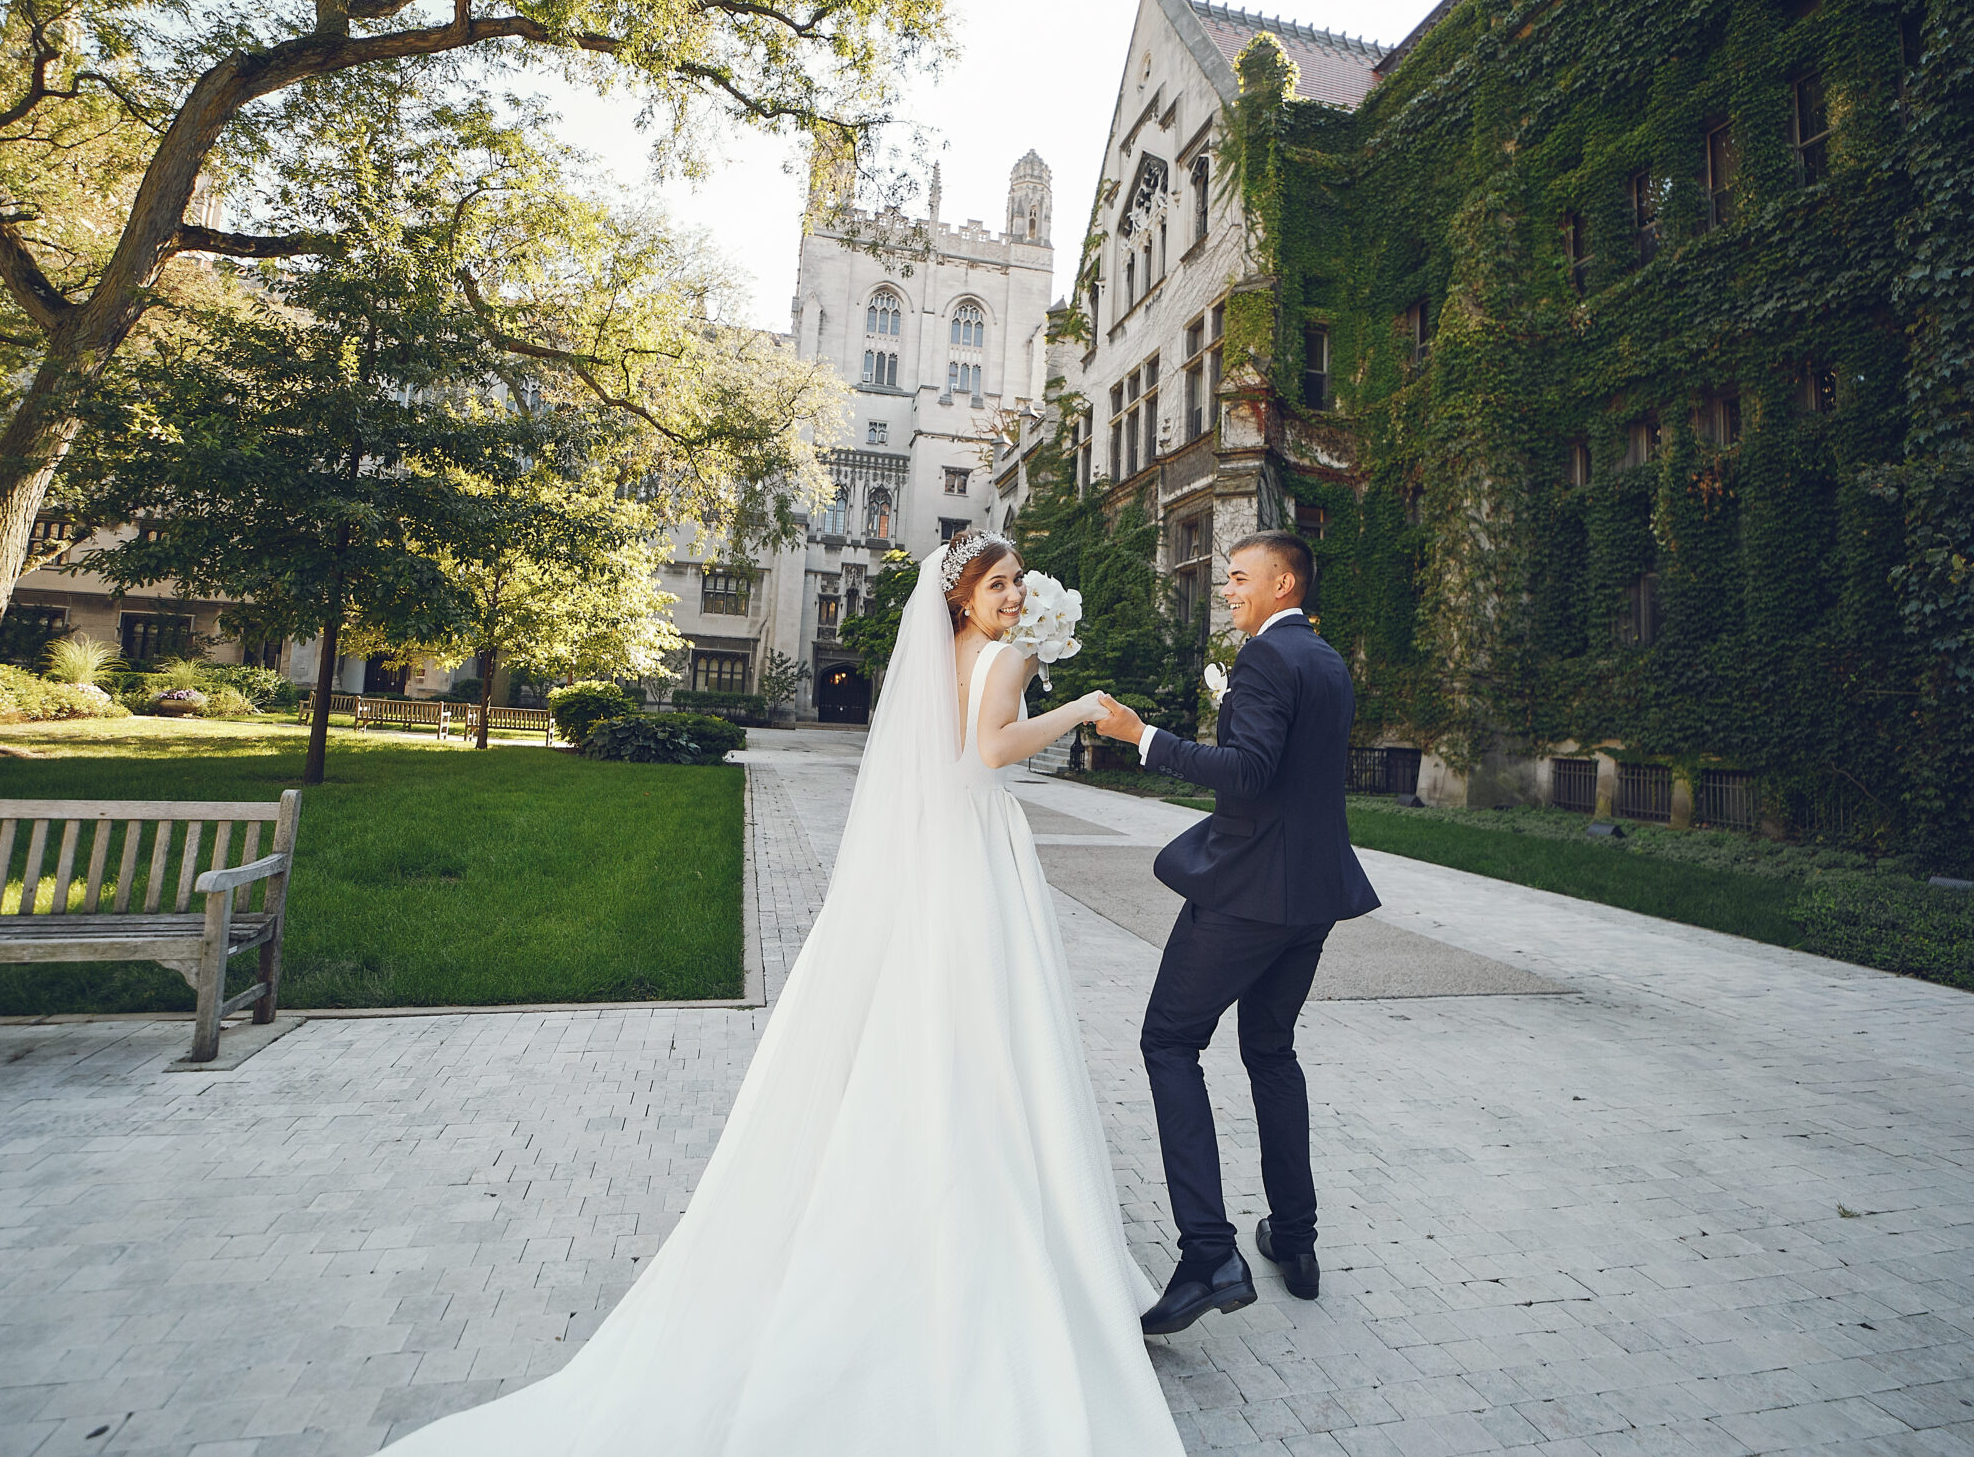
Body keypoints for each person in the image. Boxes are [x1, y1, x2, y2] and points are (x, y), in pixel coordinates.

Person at [386, 533, 1187, 1456]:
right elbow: (993, 752)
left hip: (942, 853)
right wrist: (1081, 706)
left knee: (940, 1011)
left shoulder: (945, 655)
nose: (1012, 595)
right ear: (963, 598)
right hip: (976, 849)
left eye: (1015, 584)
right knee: (994, 1023)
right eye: (998, 584)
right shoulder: (1005, 656)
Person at [1091, 531, 1378, 1334]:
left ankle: (1210, 1250)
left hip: (1251, 894)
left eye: (1240, 576)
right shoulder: (1326, 659)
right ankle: (1296, 1237)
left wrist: (1141, 738)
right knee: (1270, 1048)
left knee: (1169, 1041)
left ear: (1283, 580)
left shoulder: (1266, 659)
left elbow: (1249, 771)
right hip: (1314, 896)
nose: (1227, 587)